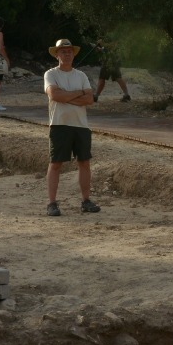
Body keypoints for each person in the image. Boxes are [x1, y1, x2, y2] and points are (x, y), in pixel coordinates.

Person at [43, 38, 100, 216]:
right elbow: (54, 95)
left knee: (84, 162)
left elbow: (90, 99)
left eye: (69, 51)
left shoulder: (81, 76)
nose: (66, 54)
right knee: (56, 163)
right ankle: (52, 203)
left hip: (81, 125)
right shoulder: (50, 74)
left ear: (73, 54)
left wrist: (66, 95)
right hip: (59, 124)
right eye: (63, 51)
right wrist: (79, 94)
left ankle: (86, 200)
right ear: (57, 54)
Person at [94, 40, 131, 104]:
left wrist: (102, 44)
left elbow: (112, 45)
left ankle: (96, 96)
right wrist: (101, 49)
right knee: (117, 78)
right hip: (112, 60)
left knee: (103, 78)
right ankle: (126, 94)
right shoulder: (110, 35)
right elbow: (108, 48)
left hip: (109, 61)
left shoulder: (112, 36)